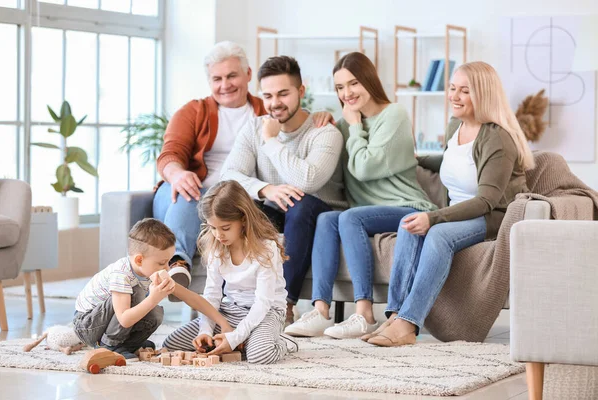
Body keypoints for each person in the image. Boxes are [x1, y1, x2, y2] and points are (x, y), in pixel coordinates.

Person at [365, 61, 534, 347]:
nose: (454, 96)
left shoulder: (497, 139)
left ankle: (409, 323)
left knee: (438, 235)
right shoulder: (456, 124)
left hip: (491, 216)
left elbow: (486, 200)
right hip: (459, 211)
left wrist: (434, 218)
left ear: (483, 95)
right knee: (408, 226)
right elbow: (455, 161)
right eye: (452, 88)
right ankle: (395, 315)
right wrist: (416, 160)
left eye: (464, 91)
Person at [153, 42, 332, 299]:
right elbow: (169, 154)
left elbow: (296, 117)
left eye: (232, 75)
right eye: (217, 78)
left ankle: (234, 303)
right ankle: (178, 265)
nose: (225, 84)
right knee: (190, 192)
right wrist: (177, 173)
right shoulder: (194, 111)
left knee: (227, 205)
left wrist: (321, 116)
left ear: (248, 75)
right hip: (185, 189)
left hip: (237, 196)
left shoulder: (267, 109)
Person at [284, 52, 437, 339]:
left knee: (350, 218)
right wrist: (324, 117)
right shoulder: (344, 123)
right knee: (328, 219)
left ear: (369, 80)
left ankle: (364, 313)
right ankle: (320, 310)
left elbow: (365, 167)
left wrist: (353, 125)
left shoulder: (395, 115)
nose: (347, 93)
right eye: (340, 87)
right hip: (366, 212)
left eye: (353, 83)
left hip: (407, 207)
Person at [220, 55, 347, 325]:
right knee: (233, 206)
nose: (274, 103)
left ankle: (284, 305)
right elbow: (228, 175)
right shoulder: (254, 127)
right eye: (267, 95)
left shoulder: (324, 132)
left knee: (298, 203)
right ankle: (231, 302)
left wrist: (271, 140)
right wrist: (265, 189)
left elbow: (308, 181)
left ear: (301, 91)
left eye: (283, 93)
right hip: (276, 208)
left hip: (318, 211)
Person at [162, 181, 299, 364]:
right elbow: (211, 296)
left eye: (225, 228)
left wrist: (234, 337)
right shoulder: (216, 249)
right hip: (231, 310)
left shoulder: (267, 249)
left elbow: (263, 302)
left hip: (267, 311)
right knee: (172, 343)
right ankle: (245, 340)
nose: (219, 235)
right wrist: (206, 331)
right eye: (212, 227)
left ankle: (281, 341)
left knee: (260, 356)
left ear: (243, 219)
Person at [73, 218, 231, 359]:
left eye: (169, 262)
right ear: (139, 260)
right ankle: (109, 346)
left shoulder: (153, 270)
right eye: (162, 263)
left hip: (108, 323)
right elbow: (124, 319)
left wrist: (222, 323)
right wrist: (153, 298)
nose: (167, 269)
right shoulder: (121, 274)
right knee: (137, 294)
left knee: (155, 313)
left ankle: (126, 345)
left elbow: (192, 298)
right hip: (87, 325)